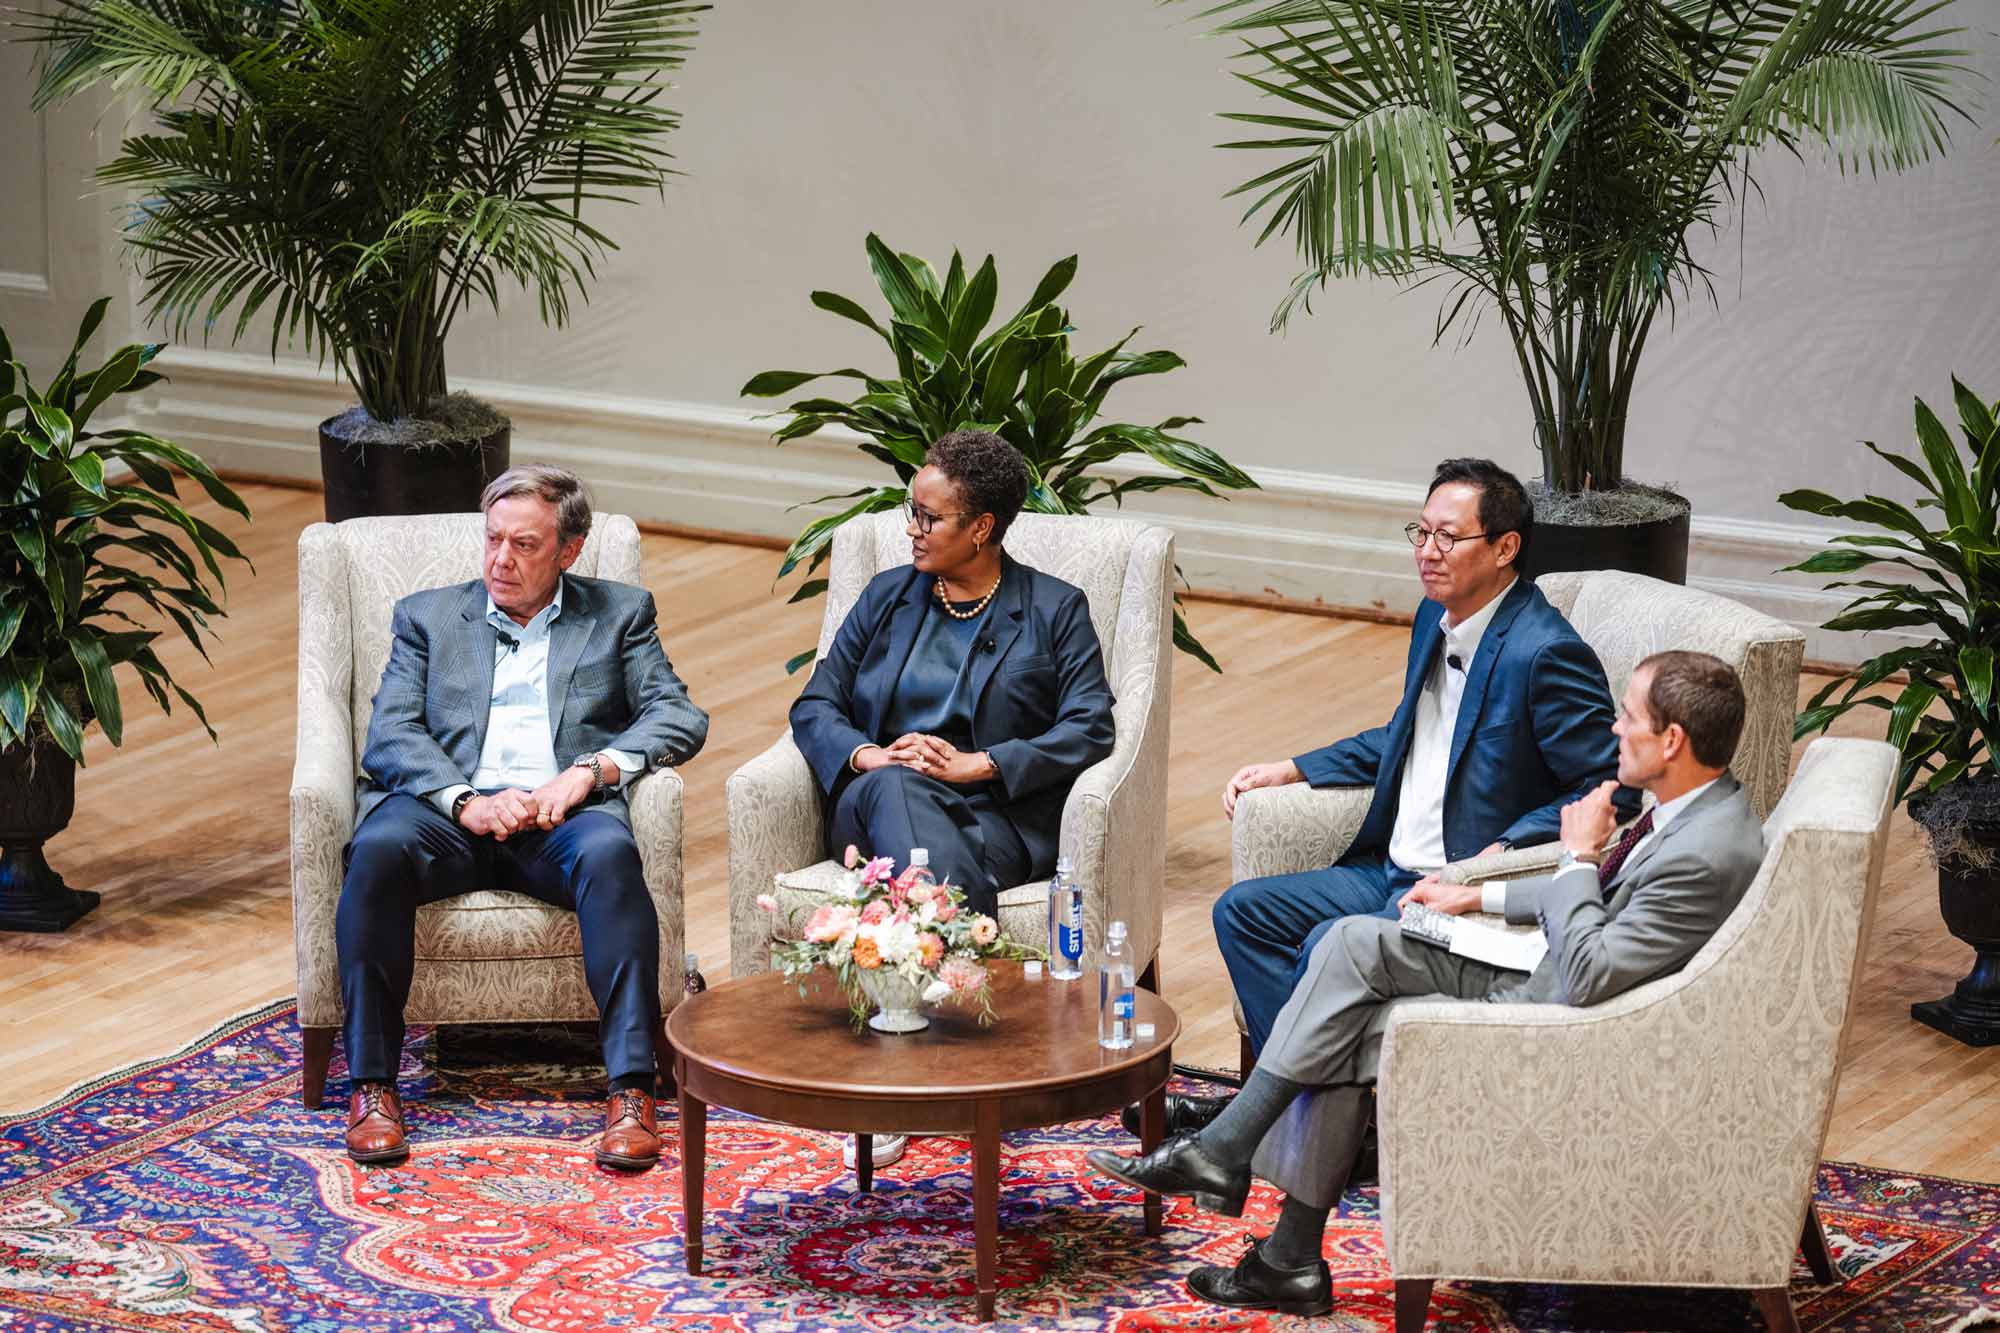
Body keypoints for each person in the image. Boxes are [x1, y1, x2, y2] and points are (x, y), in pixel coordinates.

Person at [1089, 651, 1763, 1315]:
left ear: (1671, 739)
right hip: (1543, 965)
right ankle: (1247, 1189)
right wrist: (1480, 901)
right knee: (1352, 942)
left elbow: (1589, 973)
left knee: (1342, 1009)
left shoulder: (1706, 851)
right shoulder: (1690, 812)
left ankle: (1264, 1215)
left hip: (1563, 1020)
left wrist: (1581, 855)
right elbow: (1605, 907)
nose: (1615, 728)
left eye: (1628, 716)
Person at [1164, 458, 1633, 1138]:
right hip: (1387, 865)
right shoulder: (1432, 617)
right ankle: (1310, 1121)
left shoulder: (1544, 652)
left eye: (1449, 537)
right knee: (1245, 912)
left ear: (1506, 549)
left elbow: (1605, 782)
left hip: (1449, 882)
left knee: (1328, 943)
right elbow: (1403, 734)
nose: (1428, 551)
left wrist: (1504, 848)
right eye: (1421, 531)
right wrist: (1293, 767)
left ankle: (1281, 1123)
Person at [337, 465, 708, 1171]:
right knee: (376, 851)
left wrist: (590, 771)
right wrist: (466, 801)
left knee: (611, 855)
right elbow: (389, 734)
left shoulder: (620, 613)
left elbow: (678, 714)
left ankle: (630, 1090)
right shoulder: (426, 615)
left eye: (524, 545)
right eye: (493, 540)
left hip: (558, 817)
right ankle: (373, 1085)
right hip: (448, 815)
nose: (501, 560)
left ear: (568, 550)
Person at [789, 429, 1115, 918]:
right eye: (912, 512)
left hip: (993, 818)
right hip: (877, 802)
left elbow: (1090, 726)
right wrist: (873, 758)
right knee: (897, 789)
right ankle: (962, 957)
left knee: (933, 854)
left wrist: (981, 763)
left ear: (981, 527)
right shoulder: (886, 597)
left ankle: (924, 968)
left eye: (930, 518)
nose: (912, 530)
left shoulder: (1054, 608)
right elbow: (816, 703)